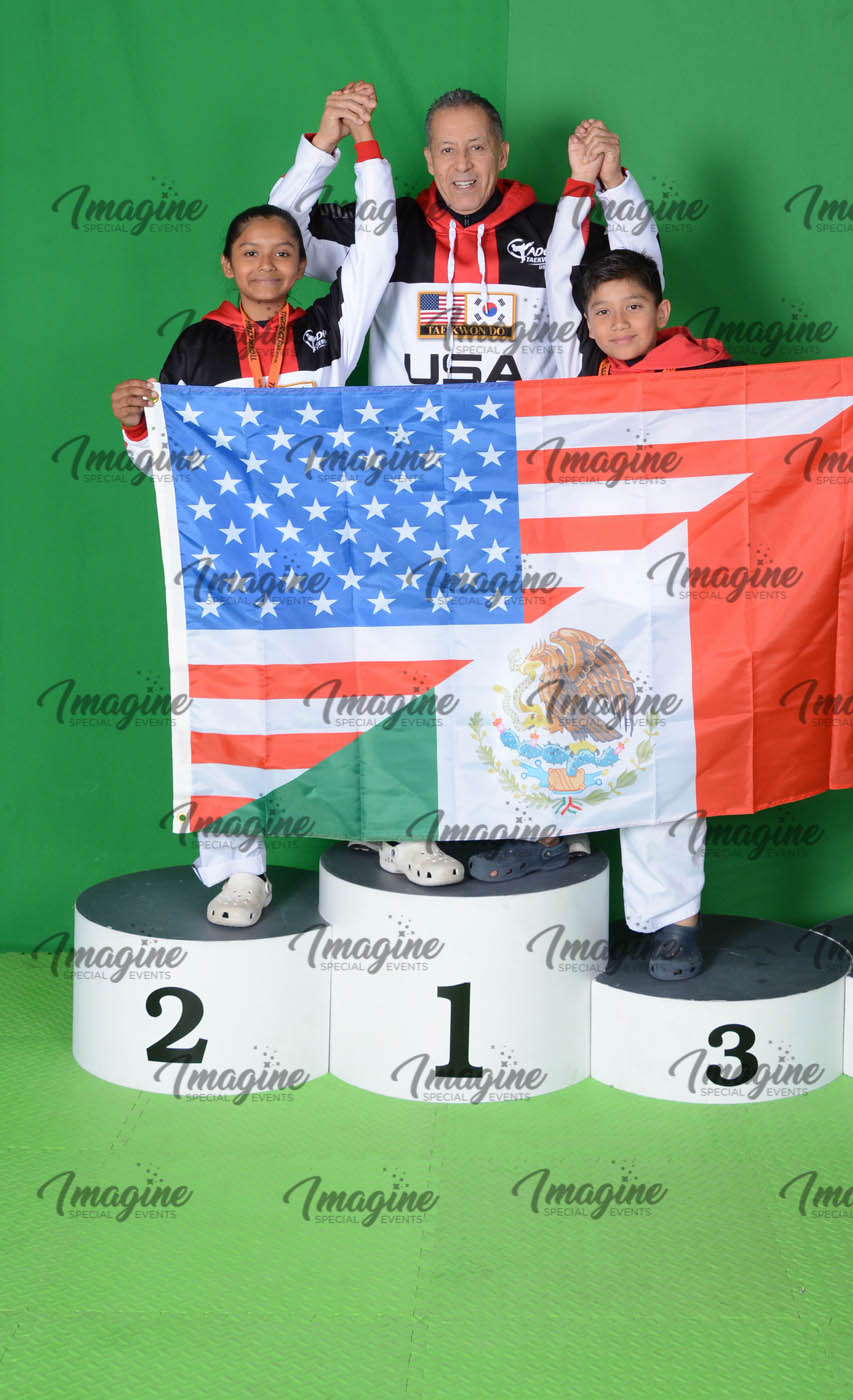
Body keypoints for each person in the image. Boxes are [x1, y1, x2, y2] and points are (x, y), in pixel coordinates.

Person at [524, 121, 853, 980]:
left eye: (633, 307)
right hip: (588, 594)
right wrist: (580, 188)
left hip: (688, 604)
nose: (616, 323)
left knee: (670, 758)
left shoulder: (719, 384)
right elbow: (548, 303)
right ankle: (553, 849)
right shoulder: (566, 387)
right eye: (600, 311)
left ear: (663, 313)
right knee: (565, 722)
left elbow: (810, 418)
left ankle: (670, 920)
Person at [110, 89, 398, 928]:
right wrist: (135, 422)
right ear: (226, 265)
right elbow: (165, 460)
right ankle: (239, 868)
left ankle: (393, 829)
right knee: (229, 700)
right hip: (231, 558)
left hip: (331, 543)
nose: (268, 266)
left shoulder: (327, 331)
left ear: (301, 262)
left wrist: (361, 146)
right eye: (251, 253)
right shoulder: (198, 344)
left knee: (367, 683)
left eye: (283, 252)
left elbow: (378, 249)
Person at [268, 90, 662, 387]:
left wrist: (613, 181)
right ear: (429, 160)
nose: (462, 164)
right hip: (410, 456)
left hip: (524, 453)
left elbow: (644, 277)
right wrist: (322, 146)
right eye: (447, 150)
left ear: (502, 154)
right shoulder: (385, 227)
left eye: (477, 147)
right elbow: (278, 239)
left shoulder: (556, 231)